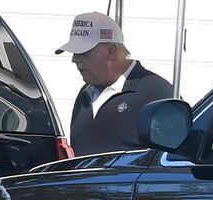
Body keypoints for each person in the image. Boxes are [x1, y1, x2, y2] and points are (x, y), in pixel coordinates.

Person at [55, 11, 174, 156]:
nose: (74, 59)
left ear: (111, 51)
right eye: (74, 53)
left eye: (83, 52)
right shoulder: (85, 95)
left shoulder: (157, 93)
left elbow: (174, 159)